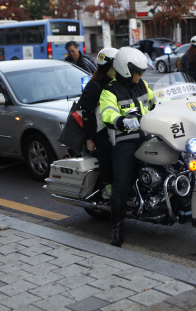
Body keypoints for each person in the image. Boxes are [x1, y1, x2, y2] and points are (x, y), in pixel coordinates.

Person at [99, 47, 154, 247]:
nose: (141, 75)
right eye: (138, 71)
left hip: (147, 135)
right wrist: (122, 121)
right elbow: (107, 113)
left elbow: (157, 101)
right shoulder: (110, 90)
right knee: (121, 182)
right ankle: (117, 229)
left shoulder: (143, 85)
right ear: (126, 70)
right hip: (125, 140)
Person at [77, 48, 118, 200]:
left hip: (114, 126)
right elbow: (86, 114)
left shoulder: (116, 82)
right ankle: (107, 185)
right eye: (116, 65)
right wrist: (89, 139)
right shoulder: (94, 86)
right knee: (106, 149)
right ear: (108, 66)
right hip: (99, 130)